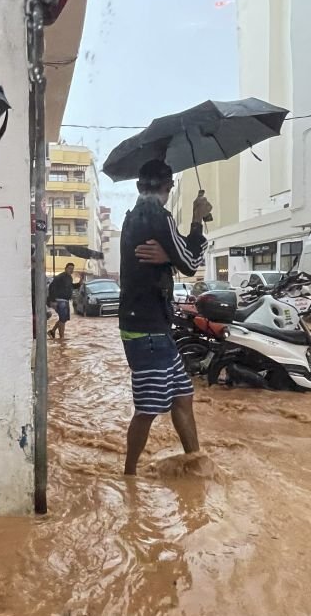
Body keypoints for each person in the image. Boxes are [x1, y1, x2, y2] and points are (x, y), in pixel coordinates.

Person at [118, 159, 211, 476]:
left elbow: (170, 260)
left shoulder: (132, 219)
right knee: (147, 410)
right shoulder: (160, 216)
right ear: (168, 188)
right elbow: (191, 261)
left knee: (183, 397)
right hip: (149, 331)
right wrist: (198, 220)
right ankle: (128, 476)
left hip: (150, 327)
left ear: (138, 186)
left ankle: (196, 463)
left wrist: (169, 257)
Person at [47, 263, 76, 339]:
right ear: (65, 268)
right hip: (60, 301)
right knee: (63, 319)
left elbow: (71, 286)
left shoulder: (69, 278)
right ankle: (62, 338)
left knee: (63, 319)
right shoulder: (60, 277)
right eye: (69, 268)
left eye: (72, 269)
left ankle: (52, 331)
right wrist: (53, 300)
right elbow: (51, 287)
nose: (71, 270)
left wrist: (79, 283)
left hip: (65, 301)